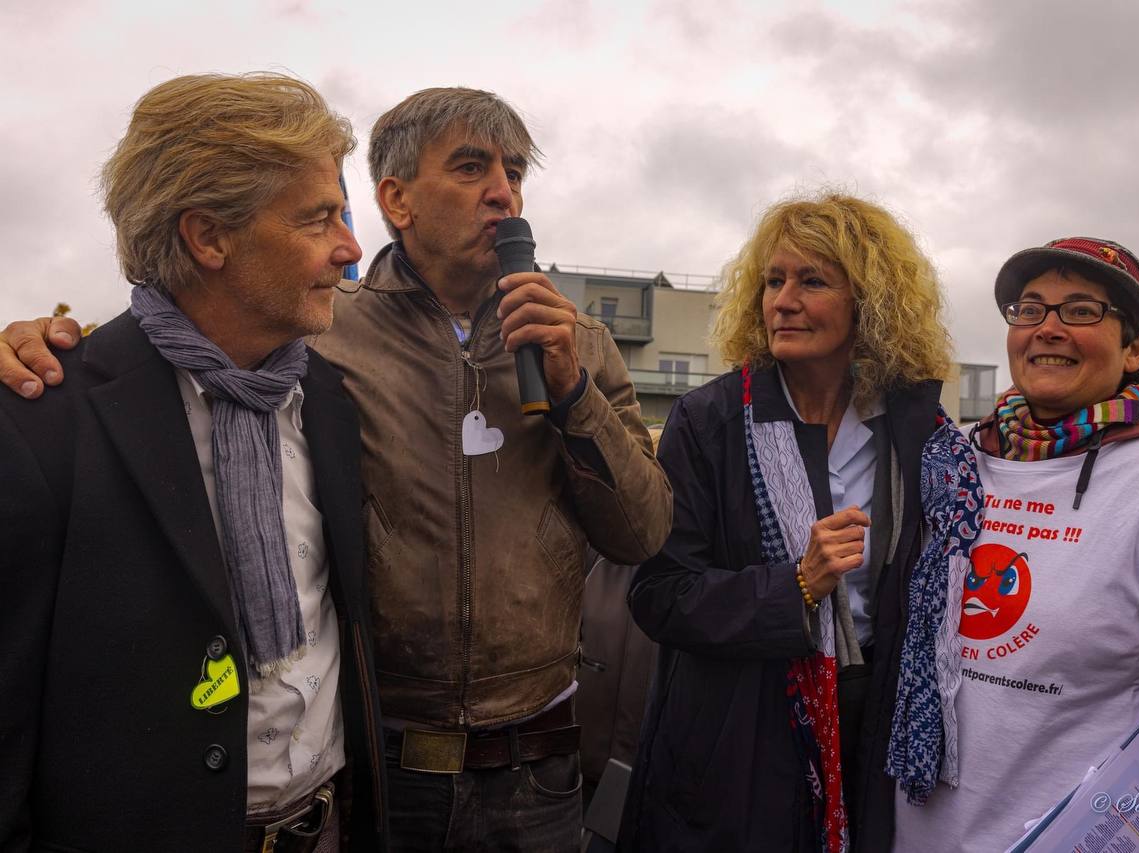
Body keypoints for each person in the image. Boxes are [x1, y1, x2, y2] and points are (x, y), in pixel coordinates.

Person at [0, 86, 672, 852]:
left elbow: (644, 533)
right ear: (397, 198)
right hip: (386, 771)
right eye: (471, 166)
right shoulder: (318, 346)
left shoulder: (567, 341)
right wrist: (43, 350)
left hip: (531, 771)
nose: (504, 193)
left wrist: (573, 394)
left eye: (515, 171)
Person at [0, 73, 386, 852]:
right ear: (208, 237)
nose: (350, 249)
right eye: (319, 219)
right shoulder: (41, 420)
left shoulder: (331, 398)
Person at [891, 238, 1139, 851]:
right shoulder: (953, 463)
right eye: (1029, 309)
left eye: (1080, 310)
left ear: (1135, 348)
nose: (1047, 328)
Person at [620, 192, 963, 852]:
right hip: (738, 737)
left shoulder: (919, 431)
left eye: (812, 281)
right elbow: (658, 594)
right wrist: (794, 586)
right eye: (774, 280)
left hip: (874, 733)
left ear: (869, 301)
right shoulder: (710, 422)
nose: (783, 299)